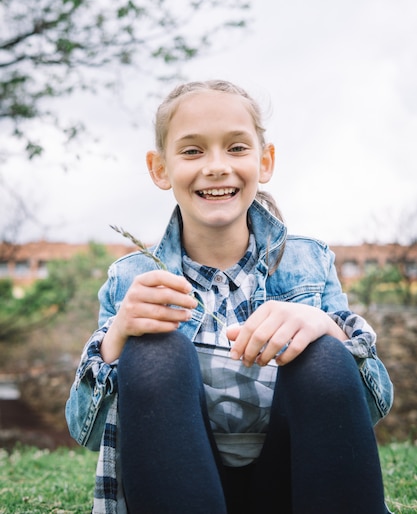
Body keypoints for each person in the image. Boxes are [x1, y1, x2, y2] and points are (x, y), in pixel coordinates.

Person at [66, 79, 394, 514]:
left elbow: (371, 407)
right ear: (159, 168)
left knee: (325, 351)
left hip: (294, 485)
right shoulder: (132, 279)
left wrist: (327, 328)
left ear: (265, 160)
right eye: (192, 150)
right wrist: (118, 338)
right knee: (153, 350)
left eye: (236, 148)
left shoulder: (310, 261)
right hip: (177, 487)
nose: (217, 166)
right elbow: (84, 430)